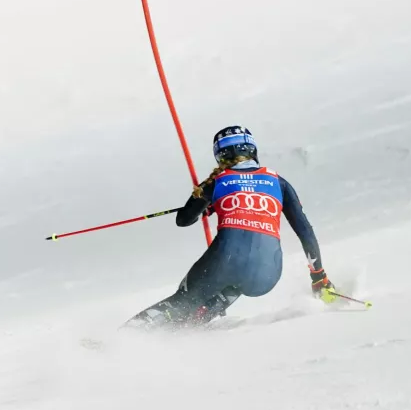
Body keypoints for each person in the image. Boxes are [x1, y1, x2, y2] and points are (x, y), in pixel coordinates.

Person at [125, 125, 337, 329]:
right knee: (233, 285)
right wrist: (319, 277)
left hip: (224, 262)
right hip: (267, 274)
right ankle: (190, 326)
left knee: (184, 300)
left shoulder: (217, 180)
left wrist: (206, 208)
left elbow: (183, 219)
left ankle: (127, 336)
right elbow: (305, 232)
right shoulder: (278, 182)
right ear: (253, 150)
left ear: (220, 155)